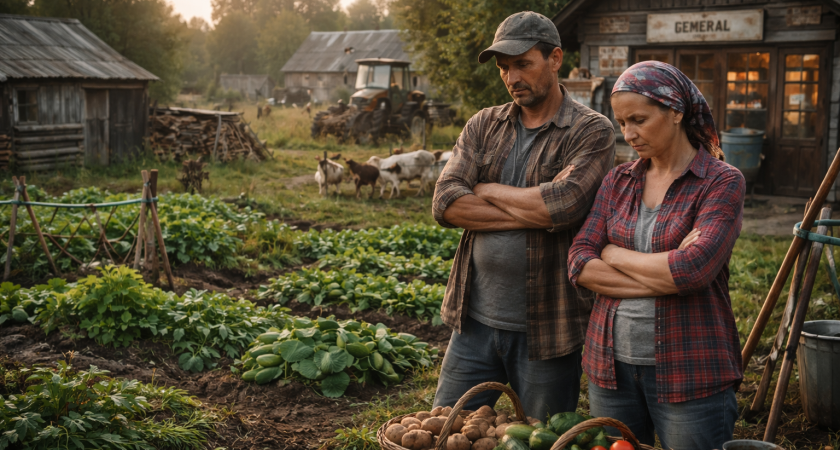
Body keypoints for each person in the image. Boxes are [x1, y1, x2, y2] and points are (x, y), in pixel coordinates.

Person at [431, 11, 615, 420]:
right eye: (504, 68)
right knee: (447, 431)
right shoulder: (484, 124)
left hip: (547, 329)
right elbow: (445, 203)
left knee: (540, 435)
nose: (512, 77)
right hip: (472, 323)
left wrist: (487, 189)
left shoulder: (590, 130)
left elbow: (565, 205)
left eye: (522, 64)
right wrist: (537, 211)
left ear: (555, 59)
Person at [567, 61, 745, 450]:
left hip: (690, 370)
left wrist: (613, 253)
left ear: (676, 111)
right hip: (610, 369)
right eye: (622, 122)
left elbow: (693, 270)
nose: (628, 134)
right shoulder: (618, 180)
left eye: (639, 120)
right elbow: (580, 261)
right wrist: (663, 275)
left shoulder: (720, 181)